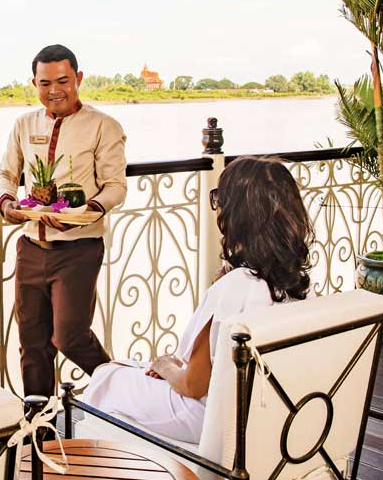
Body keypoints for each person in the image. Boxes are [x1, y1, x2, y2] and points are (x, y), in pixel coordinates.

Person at [83, 155, 314, 443]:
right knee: (123, 372)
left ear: (237, 215)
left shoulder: (234, 286)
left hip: (212, 420)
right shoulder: (300, 285)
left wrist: (165, 366)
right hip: (269, 413)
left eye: (219, 199)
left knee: (107, 378)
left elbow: (193, 386)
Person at [0, 44, 127, 397]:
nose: (54, 91)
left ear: (78, 79)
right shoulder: (23, 124)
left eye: (63, 81)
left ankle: (124, 391)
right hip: (30, 247)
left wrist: (89, 212)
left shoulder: (104, 126)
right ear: (34, 83)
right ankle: (39, 425)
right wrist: (7, 201)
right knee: (32, 345)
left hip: (78, 249)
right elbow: (6, 174)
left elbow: (115, 187)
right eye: (44, 83)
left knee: (70, 335)